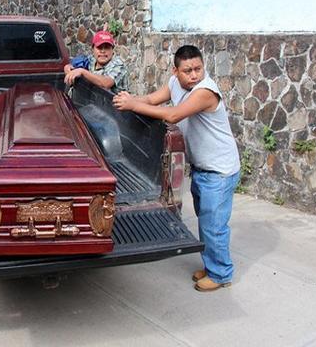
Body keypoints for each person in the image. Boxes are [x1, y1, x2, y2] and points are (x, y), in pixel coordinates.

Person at [112, 45, 240, 292]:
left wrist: (132, 106)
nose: (194, 75)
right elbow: (150, 100)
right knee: (207, 221)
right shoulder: (174, 83)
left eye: (198, 69)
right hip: (203, 168)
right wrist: (127, 99)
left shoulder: (205, 92)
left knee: (214, 225)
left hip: (220, 170)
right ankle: (213, 265)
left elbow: (172, 115)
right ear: (176, 71)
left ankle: (221, 273)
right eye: (188, 70)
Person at [63, 30, 128, 93]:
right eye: (99, 47)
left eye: (107, 47)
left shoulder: (118, 65)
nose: (102, 51)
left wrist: (82, 72)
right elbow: (75, 63)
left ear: (112, 49)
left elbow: (106, 83)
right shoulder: (92, 59)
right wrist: (68, 67)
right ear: (93, 49)